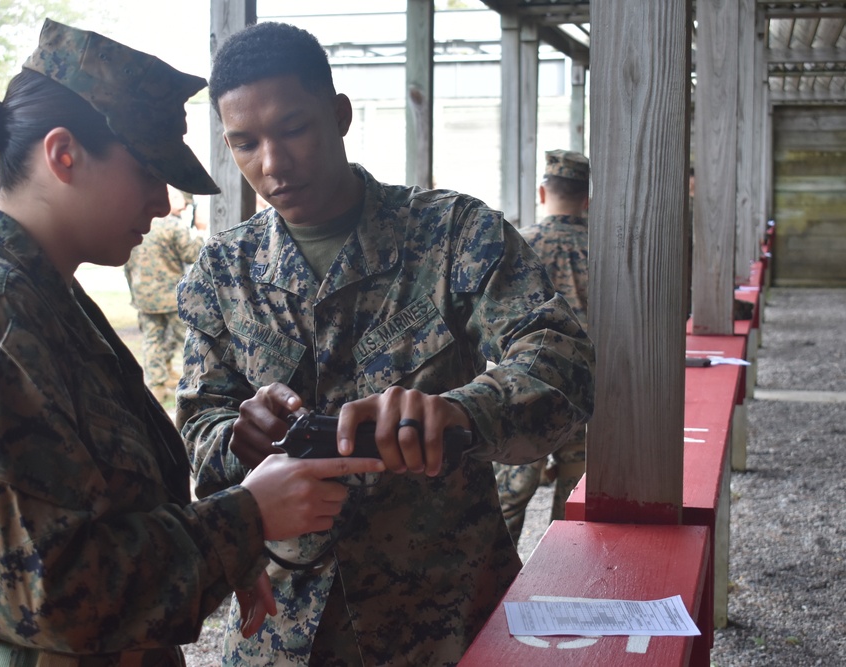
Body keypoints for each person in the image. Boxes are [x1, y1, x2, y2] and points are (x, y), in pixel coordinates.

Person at [0, 19, 385, 667]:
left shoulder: (41, 299)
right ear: (64, 155)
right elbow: (50, 591)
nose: (161, 200)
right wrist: (246, 518)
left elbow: (107, 510)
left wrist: (222, 551)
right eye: (148, 172)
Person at [176, 22, 596, 667]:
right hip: (284, 621)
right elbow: (198, 422)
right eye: (245, 143)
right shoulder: (221, 274)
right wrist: (238, 436)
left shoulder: (453, 233)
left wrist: (460, 411)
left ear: (339, 115)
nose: (273, 163)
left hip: (445, 612)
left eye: (293, 129)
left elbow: (562, 363)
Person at [492, 149, 590, 550]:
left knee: (507, 501)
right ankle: (562, 590)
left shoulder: (519, 245)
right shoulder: (607, 250)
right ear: (587, 199)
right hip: (587, 393)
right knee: (575, 506)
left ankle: (495, 595)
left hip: (524, 393)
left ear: (541, 192)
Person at [125, 187, 205, 403]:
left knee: (152, 341)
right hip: (172, 297)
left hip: (145, 297)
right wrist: (198, 231)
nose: (186, 205)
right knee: (187, 341)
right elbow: (192, 254)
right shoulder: (173, 226)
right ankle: (199, 384)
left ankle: (158, 385)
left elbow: (128, 266)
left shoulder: (140, 226)